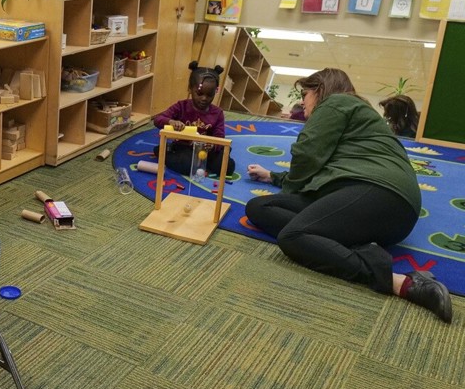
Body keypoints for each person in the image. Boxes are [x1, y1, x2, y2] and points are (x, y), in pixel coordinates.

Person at [245, 68, 451, 323]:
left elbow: (307, 154)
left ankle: (399, 282)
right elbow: (321, 169)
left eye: (305, 94)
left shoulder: (336, 102)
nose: (302, 102)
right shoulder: (357, 114)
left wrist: (290, 183)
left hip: (376, 191)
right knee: (259, 207)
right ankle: (350, 244)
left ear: (320, 89)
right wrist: (273, 177)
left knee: (292, 236)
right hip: (383, 206)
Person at [152, 61, 236, 176]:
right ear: (190, 89)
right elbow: (158, 120)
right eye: (199, 93)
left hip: (207, 150)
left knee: (228, 167)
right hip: (184, 147)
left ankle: (203, 162)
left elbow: (220, 137)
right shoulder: (181, 106)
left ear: (215, 92)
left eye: (209, 95)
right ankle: (163, 150)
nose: (204, 98)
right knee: (187, 166)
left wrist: (213, 145)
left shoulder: (217, 113)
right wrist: (171, 122)